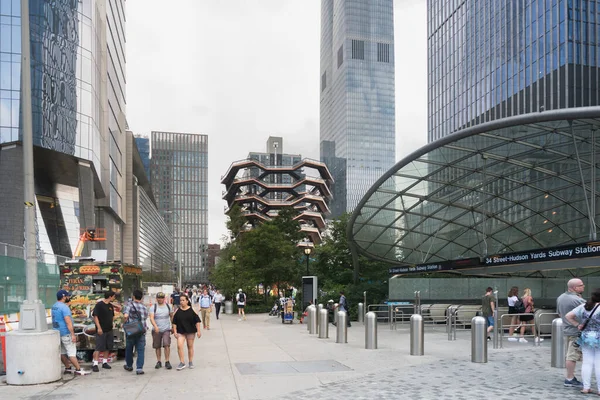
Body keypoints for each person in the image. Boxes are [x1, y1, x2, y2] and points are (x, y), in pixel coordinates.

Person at [565, 288, 600, 394]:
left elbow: (568, 316)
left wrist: (578, 325)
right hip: (598, 337)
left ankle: (586, 387)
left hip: (586, 337)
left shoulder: (585, 306)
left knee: (587, 363)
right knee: (599, 363)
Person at [51, 290, 90, 375]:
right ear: (64, 296)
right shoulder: (64, 308)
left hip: (57, 332)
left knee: (62, 352)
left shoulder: (54, 306)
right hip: (66, 332)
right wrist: (72, 334)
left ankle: (67, 368)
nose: (69, 297)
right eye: (67, 296)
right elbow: (68, 321)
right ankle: (78, 369)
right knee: (71, 352)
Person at [557, 278, 586, 387]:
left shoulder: (560, 298)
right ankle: (569, 378)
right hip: (577, 332)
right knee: (572, 356)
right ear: (574, 287)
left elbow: (560, 314)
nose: (583, 287)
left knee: (570, 354)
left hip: (567, 330)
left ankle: (571, 377)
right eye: (581, 285)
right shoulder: (579, 301)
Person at [172, 294, 202, 370]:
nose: (181, 302)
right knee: (179, 345)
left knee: (190, 346)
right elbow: (174, 322)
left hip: (190, 331)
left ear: (187, 301)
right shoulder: (177, 311)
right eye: (180, 300)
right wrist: (175, 331)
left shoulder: (192, 310)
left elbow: (197, 321)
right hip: (180, 331)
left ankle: (190, 361)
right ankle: (182, 362)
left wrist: (199, 331)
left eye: (183, 300)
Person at [123, 289, 148, 375]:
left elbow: (126, 316)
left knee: (129, 349)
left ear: (133, 296)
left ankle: (129, 365)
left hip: (131, 330)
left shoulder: (129, 305)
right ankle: (139, 368)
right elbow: (145, 318)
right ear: (141, 297)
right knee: (141, 350)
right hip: (141, 331)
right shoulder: (144, 307)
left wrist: (125, 322)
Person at [91, 291, 116, 372]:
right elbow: (95, 316)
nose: (114, 298)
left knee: (108, 346)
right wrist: (99, 328)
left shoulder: (110, 306)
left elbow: (112, 316)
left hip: (109, 329)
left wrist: (112, 324)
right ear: (110, 297)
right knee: (99, 346)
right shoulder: (99, 305)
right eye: (113, 296)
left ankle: (105, 362)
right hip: (101, 329)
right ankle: (95, 363)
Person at [149, 292, 174, 370]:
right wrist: (155, 326)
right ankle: (159, 361)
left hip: (166, 329)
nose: (160, 299)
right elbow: (151, 318)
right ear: (156, 299)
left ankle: (167, 361)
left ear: (164, 299)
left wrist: (173, 326)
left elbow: (171, 317)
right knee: (157, 346)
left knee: (167, 344)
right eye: (159, 298)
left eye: (162, 298)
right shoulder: (153, 307)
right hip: (156, 330)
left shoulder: (168, 306)